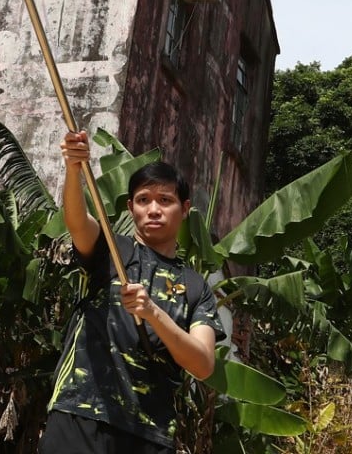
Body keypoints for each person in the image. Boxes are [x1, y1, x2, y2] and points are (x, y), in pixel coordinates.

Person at [38, 130, 225, 454]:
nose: (153, 210)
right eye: (143, 200)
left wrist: (153, 313)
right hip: (79, 412)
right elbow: (78, 222)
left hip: (149, 434)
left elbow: (203, 363)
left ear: (184, 208)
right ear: (130, 207)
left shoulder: (196, 286)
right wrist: (73, 168)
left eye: (164, 200)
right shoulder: (111, 249)